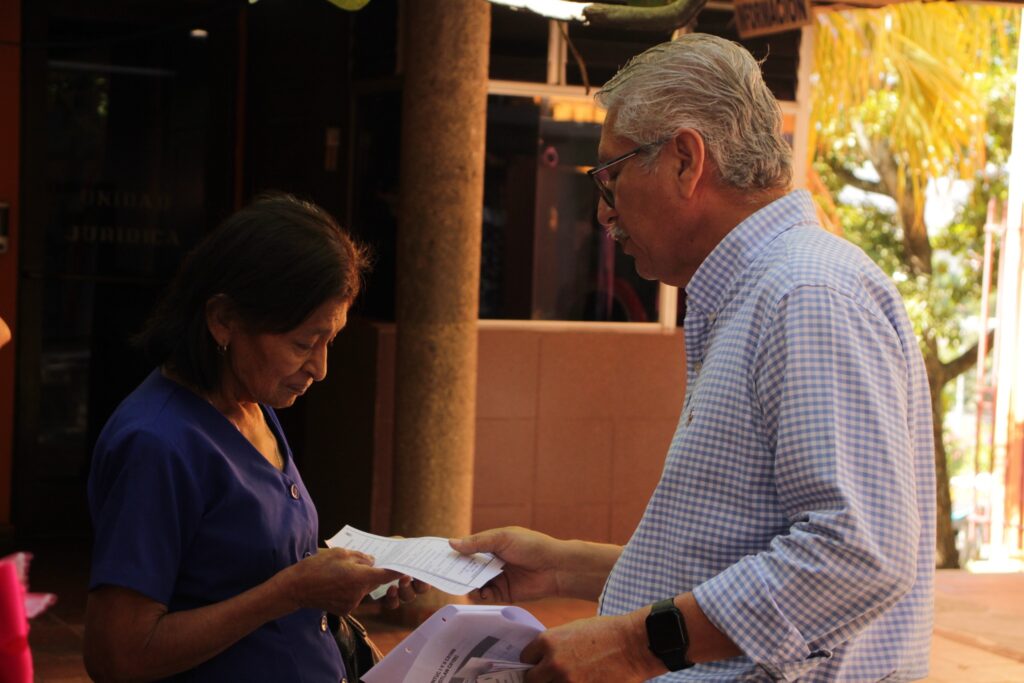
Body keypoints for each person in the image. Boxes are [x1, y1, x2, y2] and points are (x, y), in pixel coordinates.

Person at [452, 33, 935, 682]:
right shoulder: (755, 292)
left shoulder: (805, 293)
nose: (603, 212)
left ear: (684, 159)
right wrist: (568, 565)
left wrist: (631, 644)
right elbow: (744, 549)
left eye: (611, 175)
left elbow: (855, 552)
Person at [84, 194, 425, 682]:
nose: (321, 368)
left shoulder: (252, 402)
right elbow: (116, 656)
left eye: (332, 341)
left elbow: (240, 564)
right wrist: (290, 592)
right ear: (224, 319)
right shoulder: (156, 444)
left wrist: (361, 569)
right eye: (303, 344)